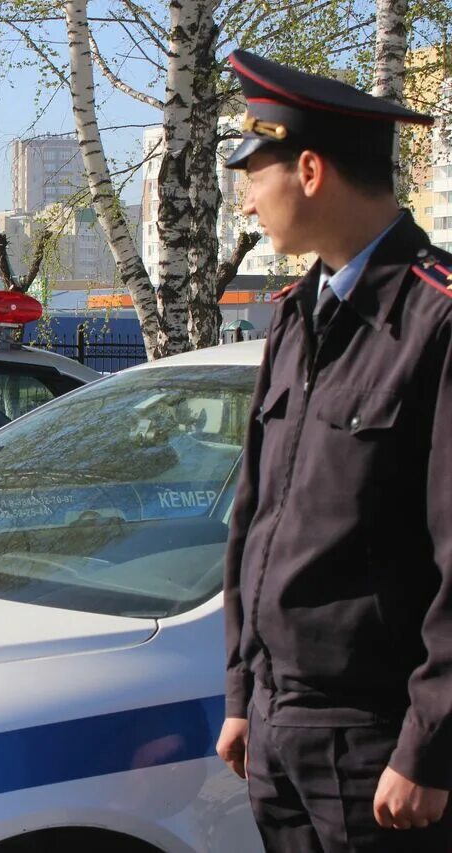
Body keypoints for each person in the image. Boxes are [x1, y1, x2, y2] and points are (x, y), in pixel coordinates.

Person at [216, 50, 452, 851]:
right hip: (281, 731)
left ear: (309, 169)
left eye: (255, 171)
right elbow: (257, 515)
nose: (247, 195)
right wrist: (245, 692)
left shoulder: (435, 321)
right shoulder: (295, 313)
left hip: (380, 746)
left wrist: (432, 742)